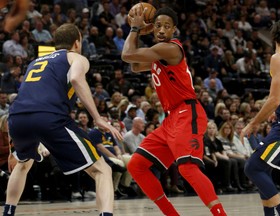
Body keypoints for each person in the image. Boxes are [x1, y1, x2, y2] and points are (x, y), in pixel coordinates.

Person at [3, 23, 122, 216]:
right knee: (102, 170)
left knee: (23, 164)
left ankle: (8, 213)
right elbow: (76, 78)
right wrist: (97, 117)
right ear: (77, 42)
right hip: (49, 116)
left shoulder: (35, 62)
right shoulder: (76, 57)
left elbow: (25, 95)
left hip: (17, 117)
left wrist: (12, 146)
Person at [121, 6, 226, 216]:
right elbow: (134, 65)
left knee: (187, 168)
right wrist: (141, 32)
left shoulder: (171, 48)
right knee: (137, 165)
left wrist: (134, 29)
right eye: (157, 25)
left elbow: (127, 54)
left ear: (174, 30)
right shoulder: (157, 53)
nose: (161, 30)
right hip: (171, 119)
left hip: (188, 112)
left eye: (166, 27)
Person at [240, 19, 280, 216]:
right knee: (264, 170)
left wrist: (252, 123)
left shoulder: (279, 57)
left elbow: (274, 99)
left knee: (253, 167)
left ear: (273, 37)